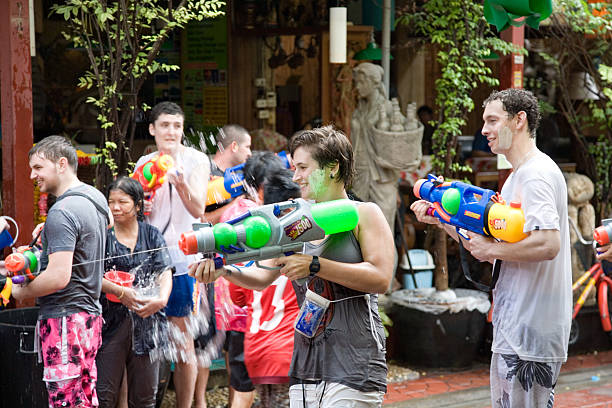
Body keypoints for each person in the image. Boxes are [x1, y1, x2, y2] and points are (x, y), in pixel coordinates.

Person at [190, 126, 394, 407]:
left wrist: (315, 265)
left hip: (354, 358)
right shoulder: (296, 217)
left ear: (332, 168)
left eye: (303, 167)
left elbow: (381, 277)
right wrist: (224, 270)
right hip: (306, 361)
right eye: (294, 167)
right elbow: (262, 277)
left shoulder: (365, 213)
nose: (295, 176)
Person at [411, 88, 571, 407]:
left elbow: (548, 243)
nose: (484, 130)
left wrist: (492, 251)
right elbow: (485, 247)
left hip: (531, 331)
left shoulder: (536, 175)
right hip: (513, 328)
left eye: (493, 120)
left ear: (519, 120)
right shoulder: (516, 177)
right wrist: (440, 218)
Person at [12, 135, 110, 408]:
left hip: (64, 322)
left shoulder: (62, 211)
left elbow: (58, 277)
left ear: (62, 164)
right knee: (85, 399)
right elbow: (107, 224)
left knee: (65, 402)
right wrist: (51, 239)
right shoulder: (95, 198)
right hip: (90, 318)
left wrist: (20, 291)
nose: (32, 175)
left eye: (38, 167)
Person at [135, 101, 210, 408]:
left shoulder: (196, 160)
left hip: (183, 260)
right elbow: (135, 212)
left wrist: (180, 185)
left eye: (177, 126)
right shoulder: (144, 163)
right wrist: (143, 207)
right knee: (148, 339)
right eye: (165, 125)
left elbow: (199, 209)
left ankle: (184, 405)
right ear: (152, 129)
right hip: (150, 260)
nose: (172, 132)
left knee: (182, 342)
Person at [95, 177, 173, 408]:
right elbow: (90, 275)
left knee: (145, 397)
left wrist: (162, 299)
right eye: (111, 202)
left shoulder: (151, 234)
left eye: (123, 202)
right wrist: (119, 292)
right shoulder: (103, 236)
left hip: (147, 321)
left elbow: (164, 270)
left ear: (138, 205)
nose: (116, 207)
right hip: (109, 324)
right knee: (103, 395)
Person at [229, 168, 301, 408]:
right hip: (289, 351)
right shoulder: (303, 243)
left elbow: (237, 297)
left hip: (257, 350)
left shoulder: (252, 247)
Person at [350, 62, 402, 234]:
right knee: (359, 226)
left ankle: (388, 261)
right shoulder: (360, 109)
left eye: (360, 82)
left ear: (373, 82)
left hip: (381, 176)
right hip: (361, 172)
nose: (357, 87)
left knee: (383, 226)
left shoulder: (386, 108)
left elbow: (400, 138)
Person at [204, 124, 252, 224]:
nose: (250, 153)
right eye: (247, 147)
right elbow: (199, 221)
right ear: (234, 146)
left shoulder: (240, 174)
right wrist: (234, 205)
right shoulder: (204, 173)